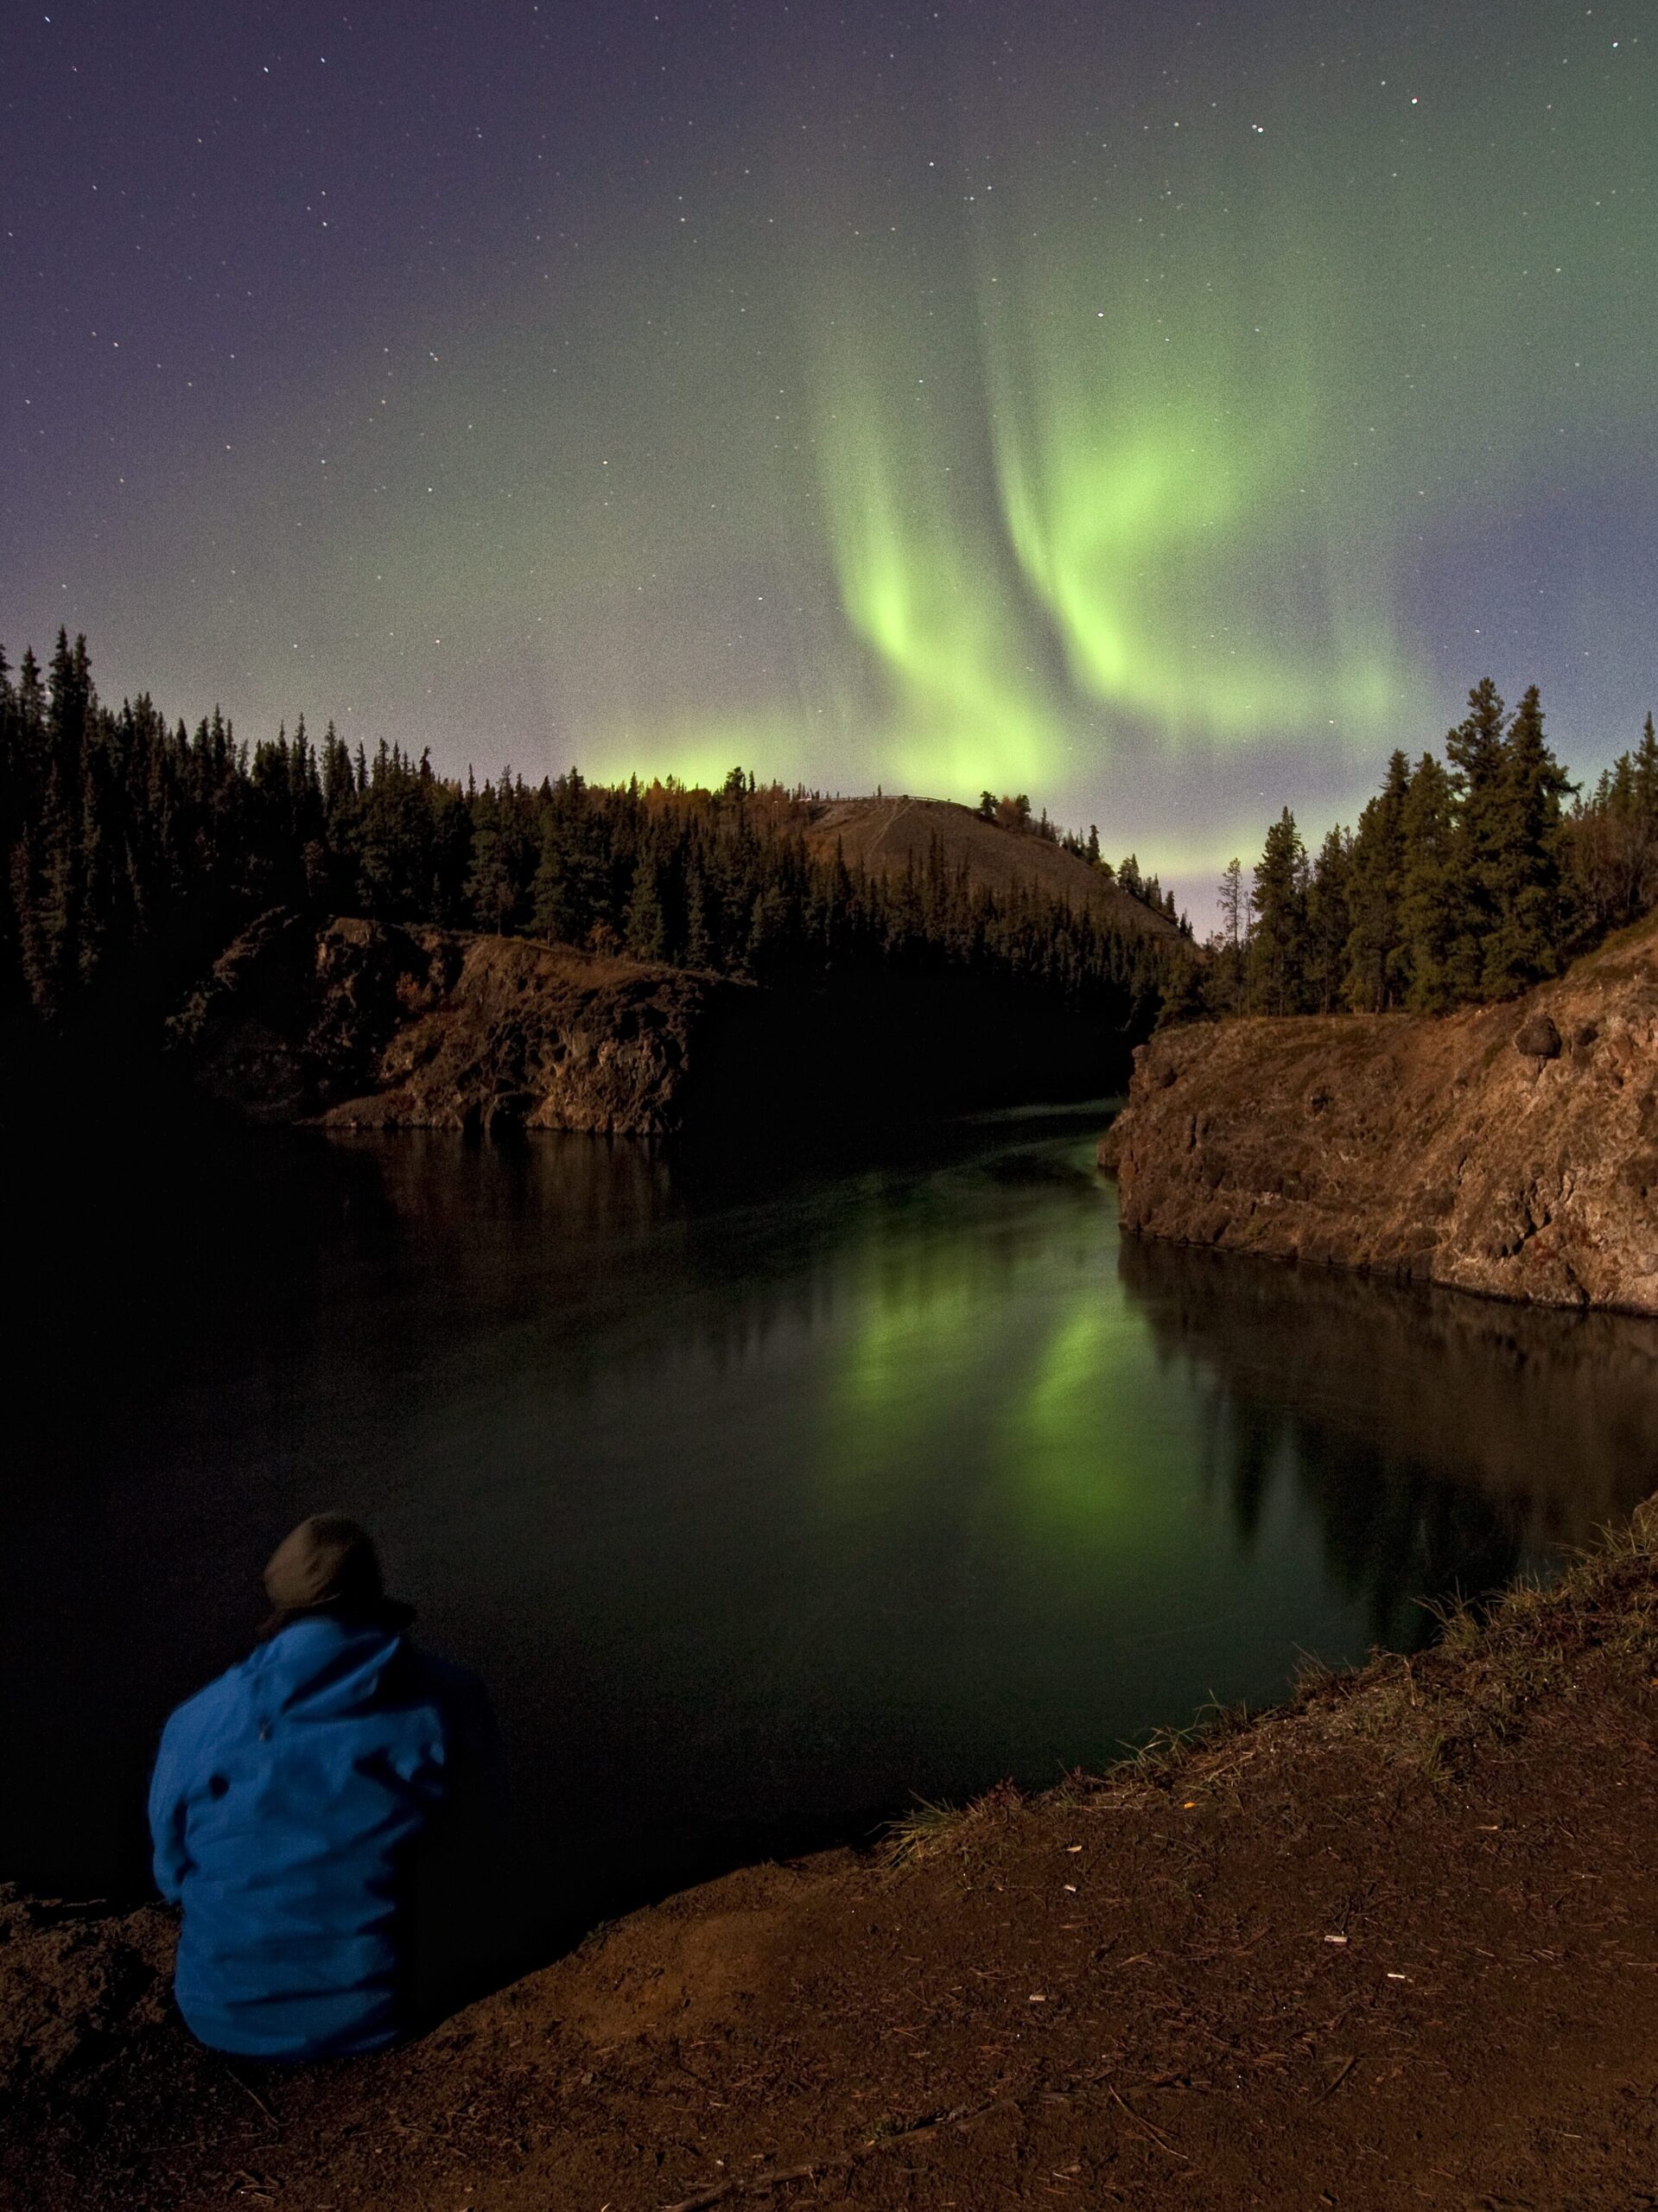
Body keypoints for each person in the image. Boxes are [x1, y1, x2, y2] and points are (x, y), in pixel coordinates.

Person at [148, 1513, 504, 2061]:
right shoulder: (447, 1700)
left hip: (221, 2013)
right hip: (384, 2013)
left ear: (281, 1605)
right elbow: (484, 1838)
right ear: (372, 1589)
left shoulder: (200, 1720)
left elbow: (172, 1873)